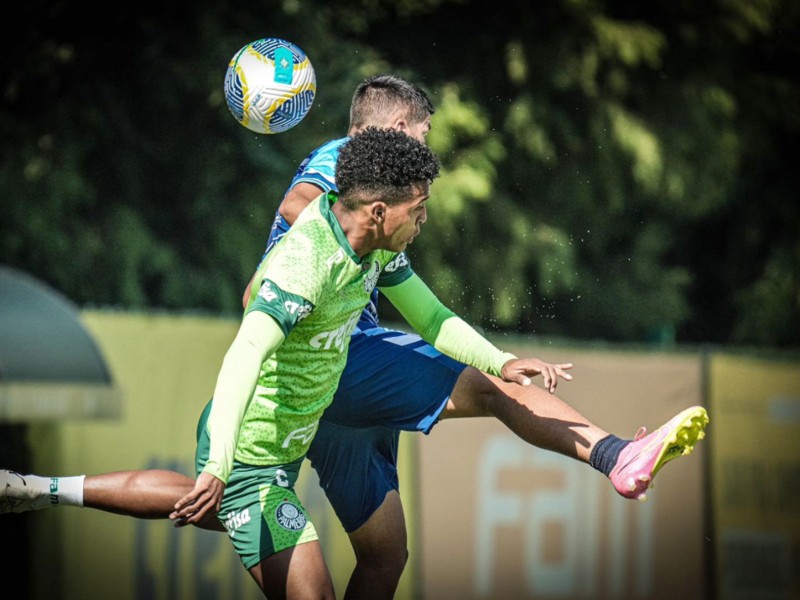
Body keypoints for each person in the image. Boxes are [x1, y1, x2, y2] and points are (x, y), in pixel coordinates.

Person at [1, 77, 709, 600]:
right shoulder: (333, 206)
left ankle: (42, 487)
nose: (426, 197)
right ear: (384, 164)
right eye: (423, 143)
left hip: (324, 387)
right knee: (238, 501)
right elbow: (260, 310)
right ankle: (616, 455)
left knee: (379, 554)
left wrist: (501, 355)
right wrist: (287, 270)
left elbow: (429, 314)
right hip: (292, 415)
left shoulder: (375, 241)